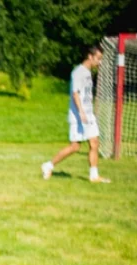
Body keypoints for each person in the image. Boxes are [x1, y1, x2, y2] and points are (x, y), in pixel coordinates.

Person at [41, 46, 110, 184]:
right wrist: (81, 112)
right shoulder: (78, 73)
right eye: (98, 59)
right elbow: (75, 93)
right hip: (79, 116)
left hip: (88, 115)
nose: (100, 62)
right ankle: (48, 165)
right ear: (90, 57)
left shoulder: (88, 73)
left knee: (94, 143)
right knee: (75, 147)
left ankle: (94, 175)